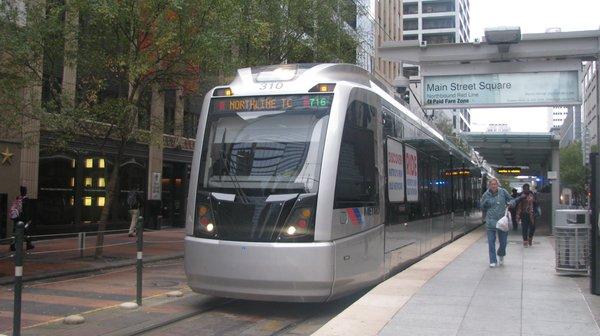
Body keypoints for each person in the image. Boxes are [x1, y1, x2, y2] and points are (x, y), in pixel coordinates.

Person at [480, 178, 512, 267]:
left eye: (495, 184)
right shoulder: (486, 194)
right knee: (491, 242)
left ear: (498, 184)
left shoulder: (503, 192)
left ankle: (501, 254)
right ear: (489, 185)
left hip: (502, 222)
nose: (493, 186)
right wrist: (484, 203)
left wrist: (511, 203)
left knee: (503, 242)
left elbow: (511, 199)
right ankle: (492, 261)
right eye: (492, 184)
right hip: (490, 221)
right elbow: (481, 207)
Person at [9, 186, 34, 251]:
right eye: (25, 190)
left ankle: (12, 245)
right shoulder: (26, 199)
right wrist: (28, 219)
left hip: (16, 218)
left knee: (15, 232)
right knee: (26, 231)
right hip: (24, 219)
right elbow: (27, 211)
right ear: (25, 191)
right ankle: (28, 244)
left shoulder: (18, 198)